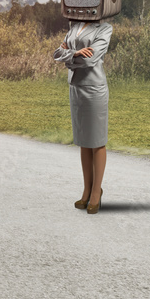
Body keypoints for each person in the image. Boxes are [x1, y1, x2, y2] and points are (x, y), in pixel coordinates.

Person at [52, 18, 113, 214]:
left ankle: (96, 191)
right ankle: (86, 190)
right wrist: (75, 53)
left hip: (94, 89)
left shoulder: (104, 28)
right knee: (83, 141)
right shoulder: (74, 26)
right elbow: (56, 53)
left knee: (97, 140)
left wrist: (69, 56)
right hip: (75, 88)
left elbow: (90, 60)